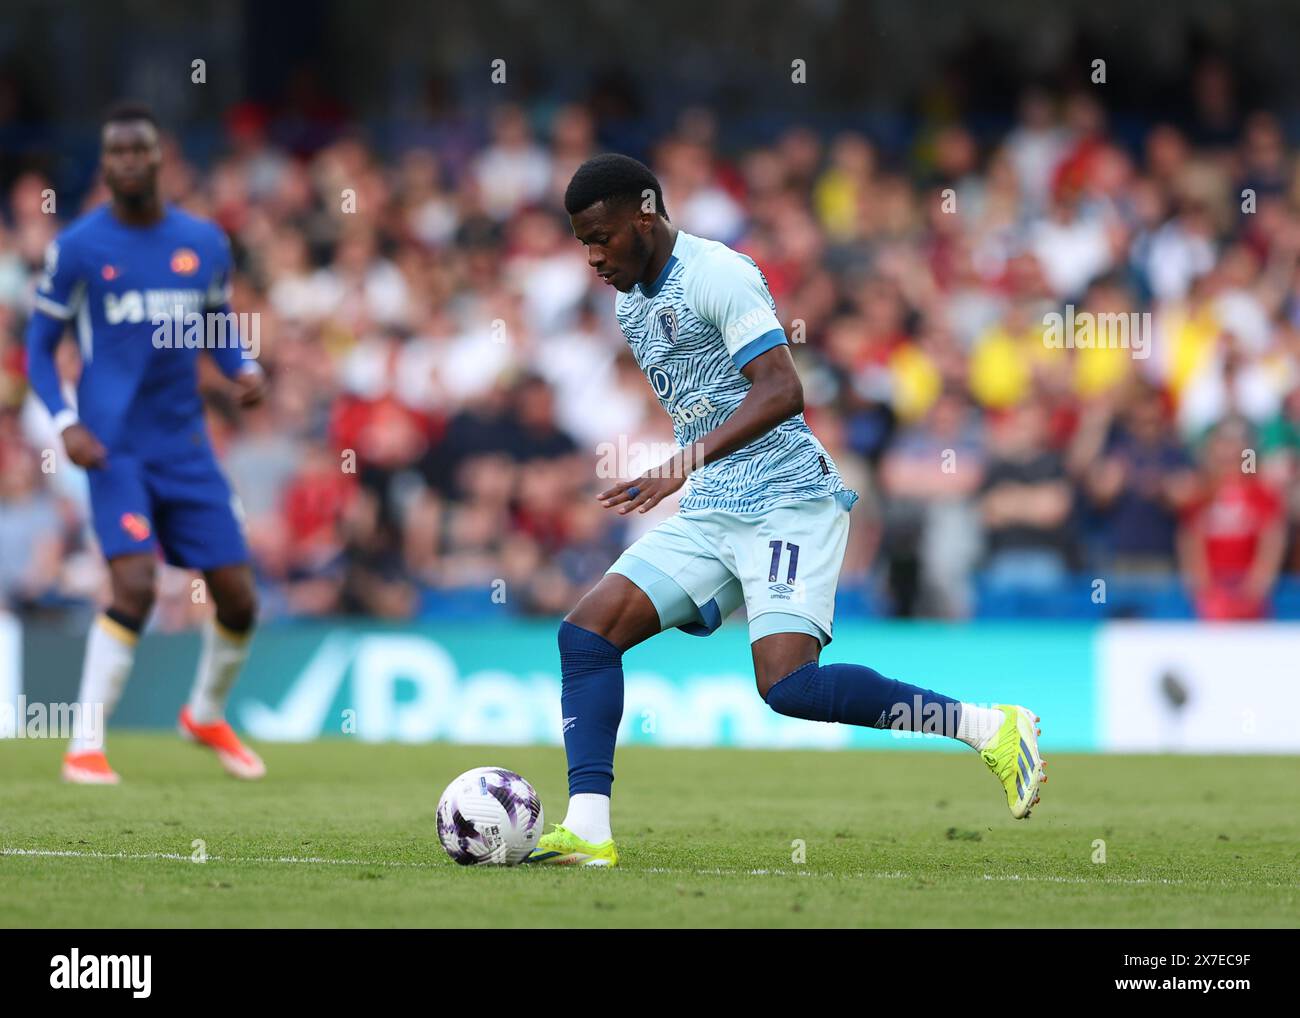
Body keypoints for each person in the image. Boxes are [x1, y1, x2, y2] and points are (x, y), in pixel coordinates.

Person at [527, 154, 1046, 867]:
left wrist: (679, 464)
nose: (592, 257)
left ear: (644, 216)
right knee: (586, 637)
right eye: (582, 241)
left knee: (789, 687)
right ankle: (587, 828)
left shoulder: (720, 275)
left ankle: (989, 727)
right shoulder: (629, 302)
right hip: (713, 506)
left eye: (602, 237)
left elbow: (781, 391)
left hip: (786, 500)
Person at [24, 103, 266, 783]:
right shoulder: (78, 247)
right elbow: (39, 349)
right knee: (132, 584)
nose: (128, 162)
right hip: (113, 447)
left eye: (140, 151)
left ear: (162, 160)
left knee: (239, 598)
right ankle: (85, 744)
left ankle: (206, 714)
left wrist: (243, 368)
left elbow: (217, 323)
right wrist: (64, 421)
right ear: (104, 165)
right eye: (116, 154)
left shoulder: (205, 242)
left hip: (186, 446)